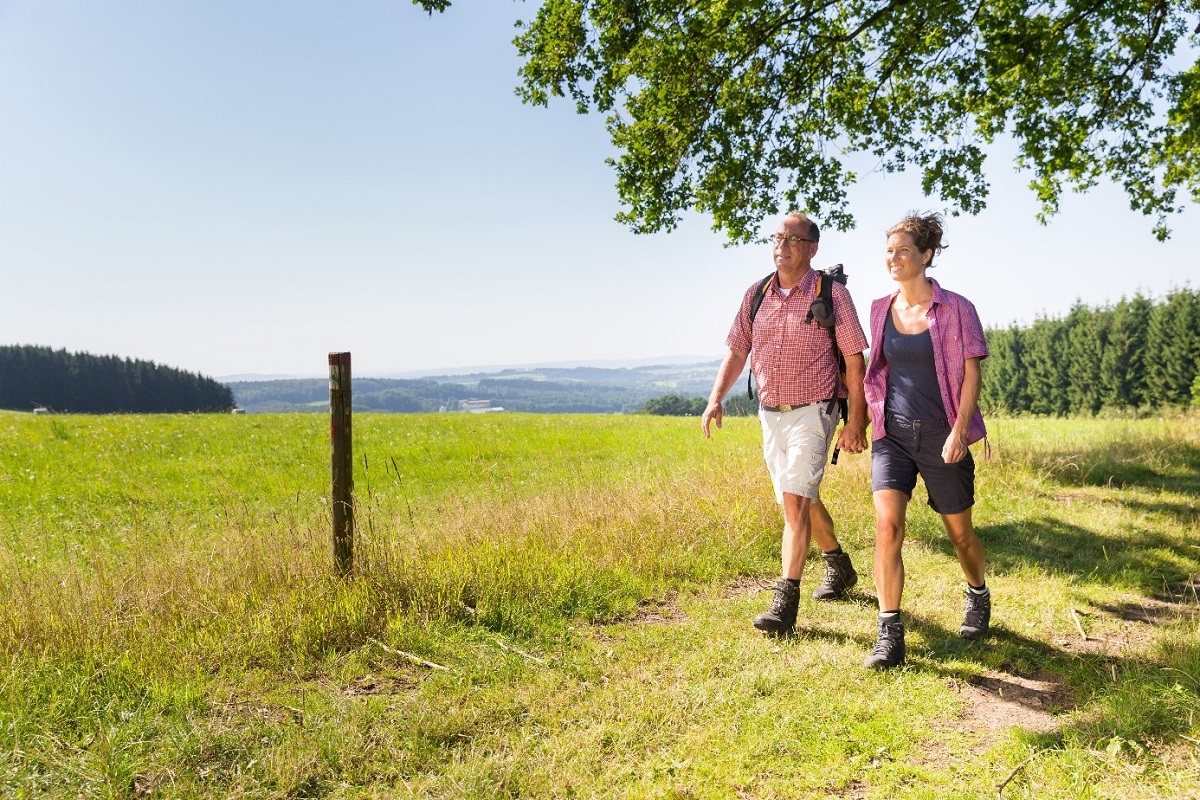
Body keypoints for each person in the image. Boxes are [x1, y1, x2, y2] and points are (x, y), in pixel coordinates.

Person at [702, 212, 869, 634]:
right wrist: (715, 398)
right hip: (770, 413)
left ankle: (785, 602)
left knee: (795, 501)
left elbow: (854, 359)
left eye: (793, 239)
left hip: (815, 409)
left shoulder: (831, 295)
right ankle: (839, 566)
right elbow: (738, 350)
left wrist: (857, 423)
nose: (782, 245)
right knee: (803, 499)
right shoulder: (756, 294)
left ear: (812, 248)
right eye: (778, 237)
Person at [862, 212, 990, 670]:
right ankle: (889, 631)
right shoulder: (879, 308)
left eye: (902, 251)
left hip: (942, 436)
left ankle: (977, 593)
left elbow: (971, 372)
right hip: (893, 434)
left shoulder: (957, 309)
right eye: (889, 251)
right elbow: (874, 369)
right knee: (888, 528)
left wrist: (959, 431)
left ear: (926, 256)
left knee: (960, 536)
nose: (892, 258)